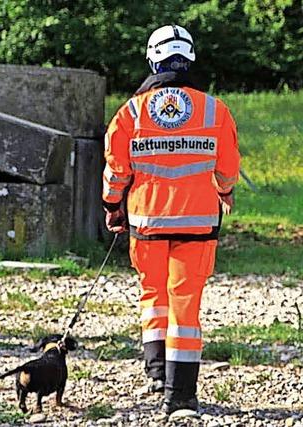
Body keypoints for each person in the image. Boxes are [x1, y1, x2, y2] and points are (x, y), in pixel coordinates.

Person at [102, 25, 240, 415]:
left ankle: (157, 373)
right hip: (197, 226)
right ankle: (180, 397)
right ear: (190, 58)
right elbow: (227, 169)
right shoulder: (215, 110)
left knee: (153, 294)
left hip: (146, 223)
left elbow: (116, 169)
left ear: (152, 59)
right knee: (186, 305)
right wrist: (224, 192)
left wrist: (113, 205)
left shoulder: (131, 111)